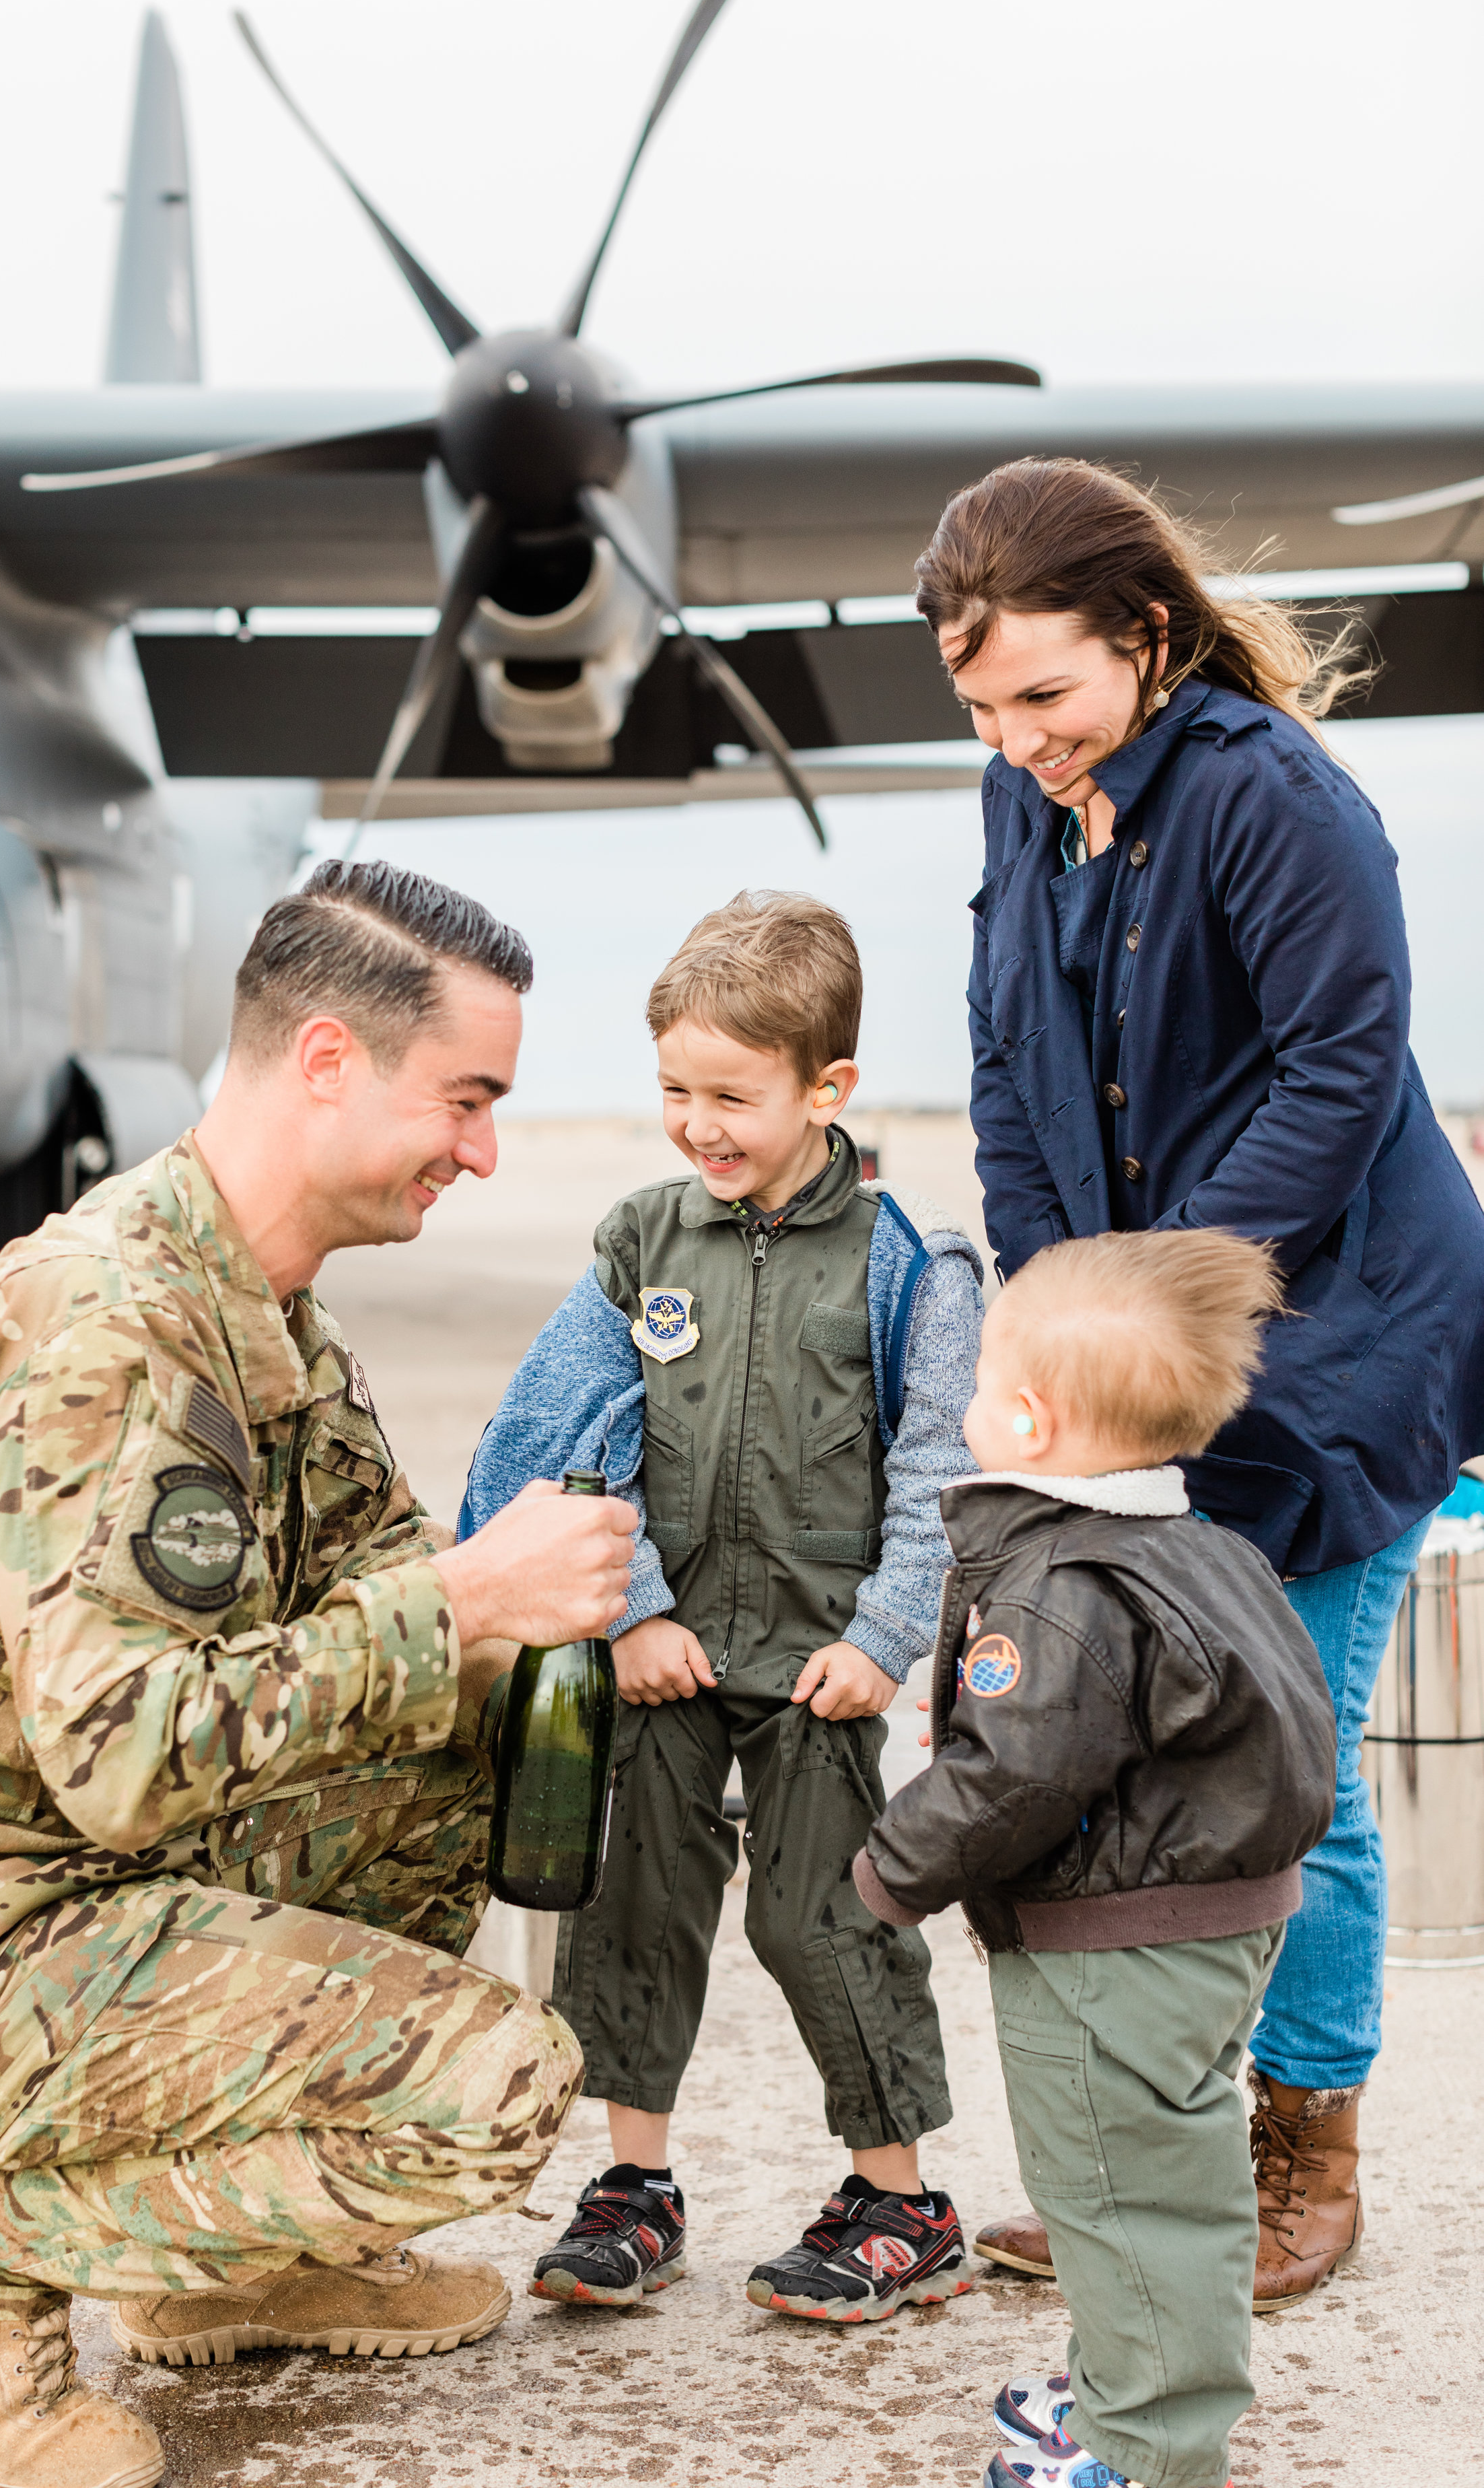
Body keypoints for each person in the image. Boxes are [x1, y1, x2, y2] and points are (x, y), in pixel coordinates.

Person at [0, 860, 640, 2488]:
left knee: (462, 1740)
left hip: (91, 1882)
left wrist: (528, 1611)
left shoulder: (264, 1311)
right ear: (327, 1060)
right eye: (463, 1100)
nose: (480, 1150)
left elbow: (377, 1612)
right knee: (489, 2093)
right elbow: (125, 1753)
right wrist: (464, 1596)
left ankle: (233, 2264)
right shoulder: (103, 1326)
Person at [911, 457, 1484, 2306]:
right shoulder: (1027, 805)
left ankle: (1301, 2159)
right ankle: (1152, 2155)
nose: (1013, 742)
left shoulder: (1276, 801)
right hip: (1122, 1350)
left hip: (1337, 1350)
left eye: (1043, 698)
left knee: (1282, 1763)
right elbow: (1002, 1058)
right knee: (1135, 1751)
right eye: (981, 707)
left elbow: (1336, 1074)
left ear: (1145, 641)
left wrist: (1139, 1307)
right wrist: (1038, 1296)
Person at [460, 891, 986, 2324]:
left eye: (731, 1097)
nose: (698, 1125)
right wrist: (625, 1609)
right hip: (666, 1655)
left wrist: (885, 1639)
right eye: (674, 1092)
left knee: (827, 1917)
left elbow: (940, 1461)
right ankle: (634, 2187)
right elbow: (573, 1424)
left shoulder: (907, 1268)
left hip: (821, 1661)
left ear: (828, 1089)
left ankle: (897, 2198)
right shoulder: (643, 1244)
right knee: (634, 1907)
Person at [857, 1229, 1337, 2488]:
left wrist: (890, 1870)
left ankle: (1145, 2448)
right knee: (1158, 2167)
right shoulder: (1202, 1545)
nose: (961, 1404)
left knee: (1123, 2191)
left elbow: (1009, 1776)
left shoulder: (1061, 1585)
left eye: (976, 1382)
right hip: (1214, 1919)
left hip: (1113, 1943)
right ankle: (1130, 2376)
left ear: (1025, 1417)